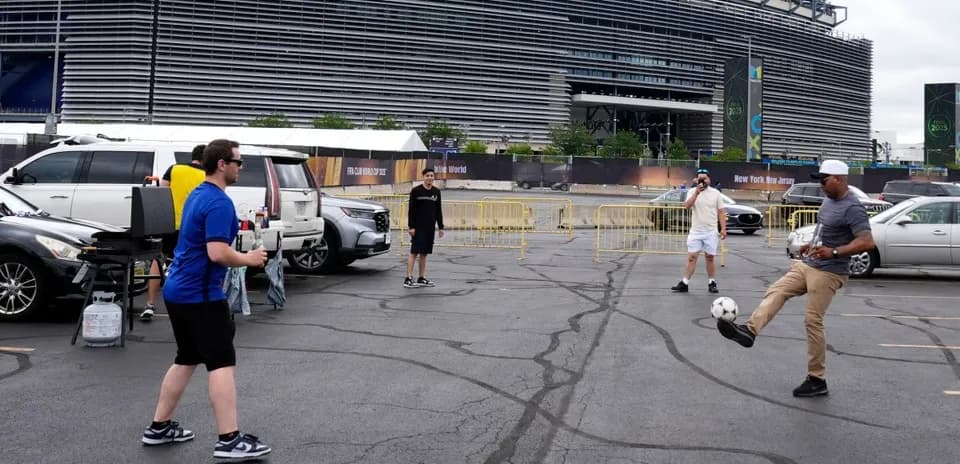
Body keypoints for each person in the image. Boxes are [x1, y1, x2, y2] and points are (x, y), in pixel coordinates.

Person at [141, 139, 272, 459]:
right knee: (221, 362)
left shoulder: (200, 194)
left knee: (186, 358)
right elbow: (216, 252)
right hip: (199, 295)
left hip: (179, 290)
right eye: (238, 162)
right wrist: (250, 258)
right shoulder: (217, 202)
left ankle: (159, 427)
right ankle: (229, 439)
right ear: (222, 164)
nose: (241, 167)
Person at [716, 159, 875, 398]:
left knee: (813, 321)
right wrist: (812, 245)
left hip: (830, 271)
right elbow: (828, 232)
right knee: (777, 290)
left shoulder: (852, 207)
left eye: (824, 180)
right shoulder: (829, 201)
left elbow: (866, 241)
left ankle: (817, 379)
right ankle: (749, 331)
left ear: (840, 179)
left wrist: (833, 252)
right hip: (810, 263)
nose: (821, 185)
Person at [140, 144, 207, 321]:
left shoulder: (174, 169)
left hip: (169, 225)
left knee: (158, 259)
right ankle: (188, 305)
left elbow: (162, 191)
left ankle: (150, 304)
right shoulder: (207, 176)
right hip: (191, 227)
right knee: (189, 263)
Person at [671, 168, 727, 294]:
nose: (703, 181)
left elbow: (721, 211)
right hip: (696, 231)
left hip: (710, 231)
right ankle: (684, 283)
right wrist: (696, 193)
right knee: (691, 257)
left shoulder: (716, 193)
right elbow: (687, 206)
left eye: (705, 178)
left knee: (710, 258)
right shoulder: (692, 191)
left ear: (709, 179)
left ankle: (712, 282)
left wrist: (723, 228)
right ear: (697, 180)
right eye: (700, 178)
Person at [405, 167, 444, 288]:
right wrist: (411, 226)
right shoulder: (416, 191)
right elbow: (411, 210)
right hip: (418, 227)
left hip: (430, 228)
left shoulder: (436, 192)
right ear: (423, 177)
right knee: (414, 252)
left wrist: (441, 227)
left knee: (424, 253)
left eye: (431, 176)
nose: (430, 178)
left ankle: (421, 278)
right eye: (427, 176)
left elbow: (438, 210)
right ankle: (408, 278)